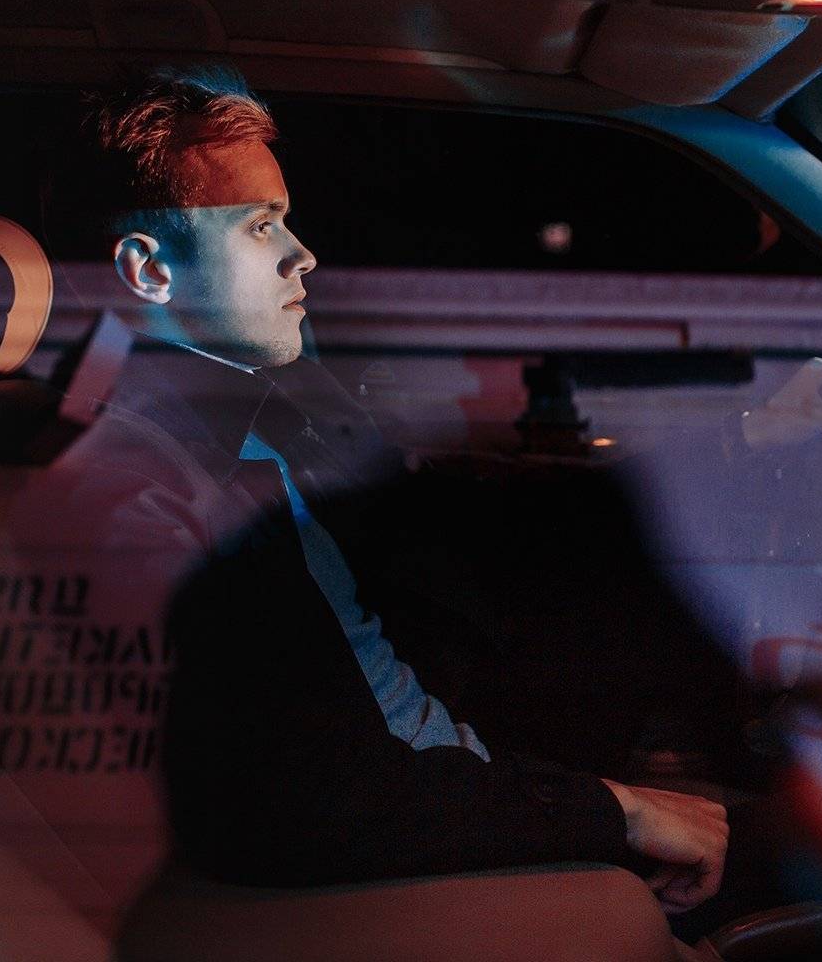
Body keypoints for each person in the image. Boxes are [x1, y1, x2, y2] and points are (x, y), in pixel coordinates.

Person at [40, 65, 735, 920]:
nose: (302, 254)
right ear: (148, 270)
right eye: (261, 226)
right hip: (392, 836)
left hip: (435, 768)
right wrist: (612, 811)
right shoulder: (141, 487)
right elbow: (303, 795)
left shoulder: (227, 425)